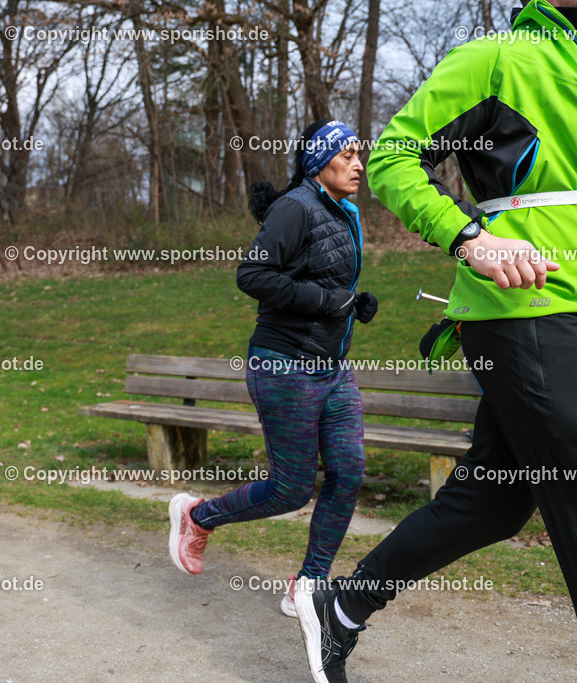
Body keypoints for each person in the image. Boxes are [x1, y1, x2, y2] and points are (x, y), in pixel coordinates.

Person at [294, 1, 577, 682]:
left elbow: (565, 202)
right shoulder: (497, 57)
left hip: (568, 314)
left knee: (491, 499)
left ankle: (338, 605)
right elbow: (394, 160)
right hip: (526, 317)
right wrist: (470, 239)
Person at [168, 120, 379, 617]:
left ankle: (308, 583)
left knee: (348, 474)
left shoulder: (344, 211)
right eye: (347, 155)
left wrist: (353, 304)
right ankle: (198, 516)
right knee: (291, 489)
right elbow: (253, 274)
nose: (359, 165)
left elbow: (321, 280)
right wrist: (331, 301)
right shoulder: (295, 207)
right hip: (285, 367)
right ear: (318, 162)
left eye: (359, 155)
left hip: (333, 369)